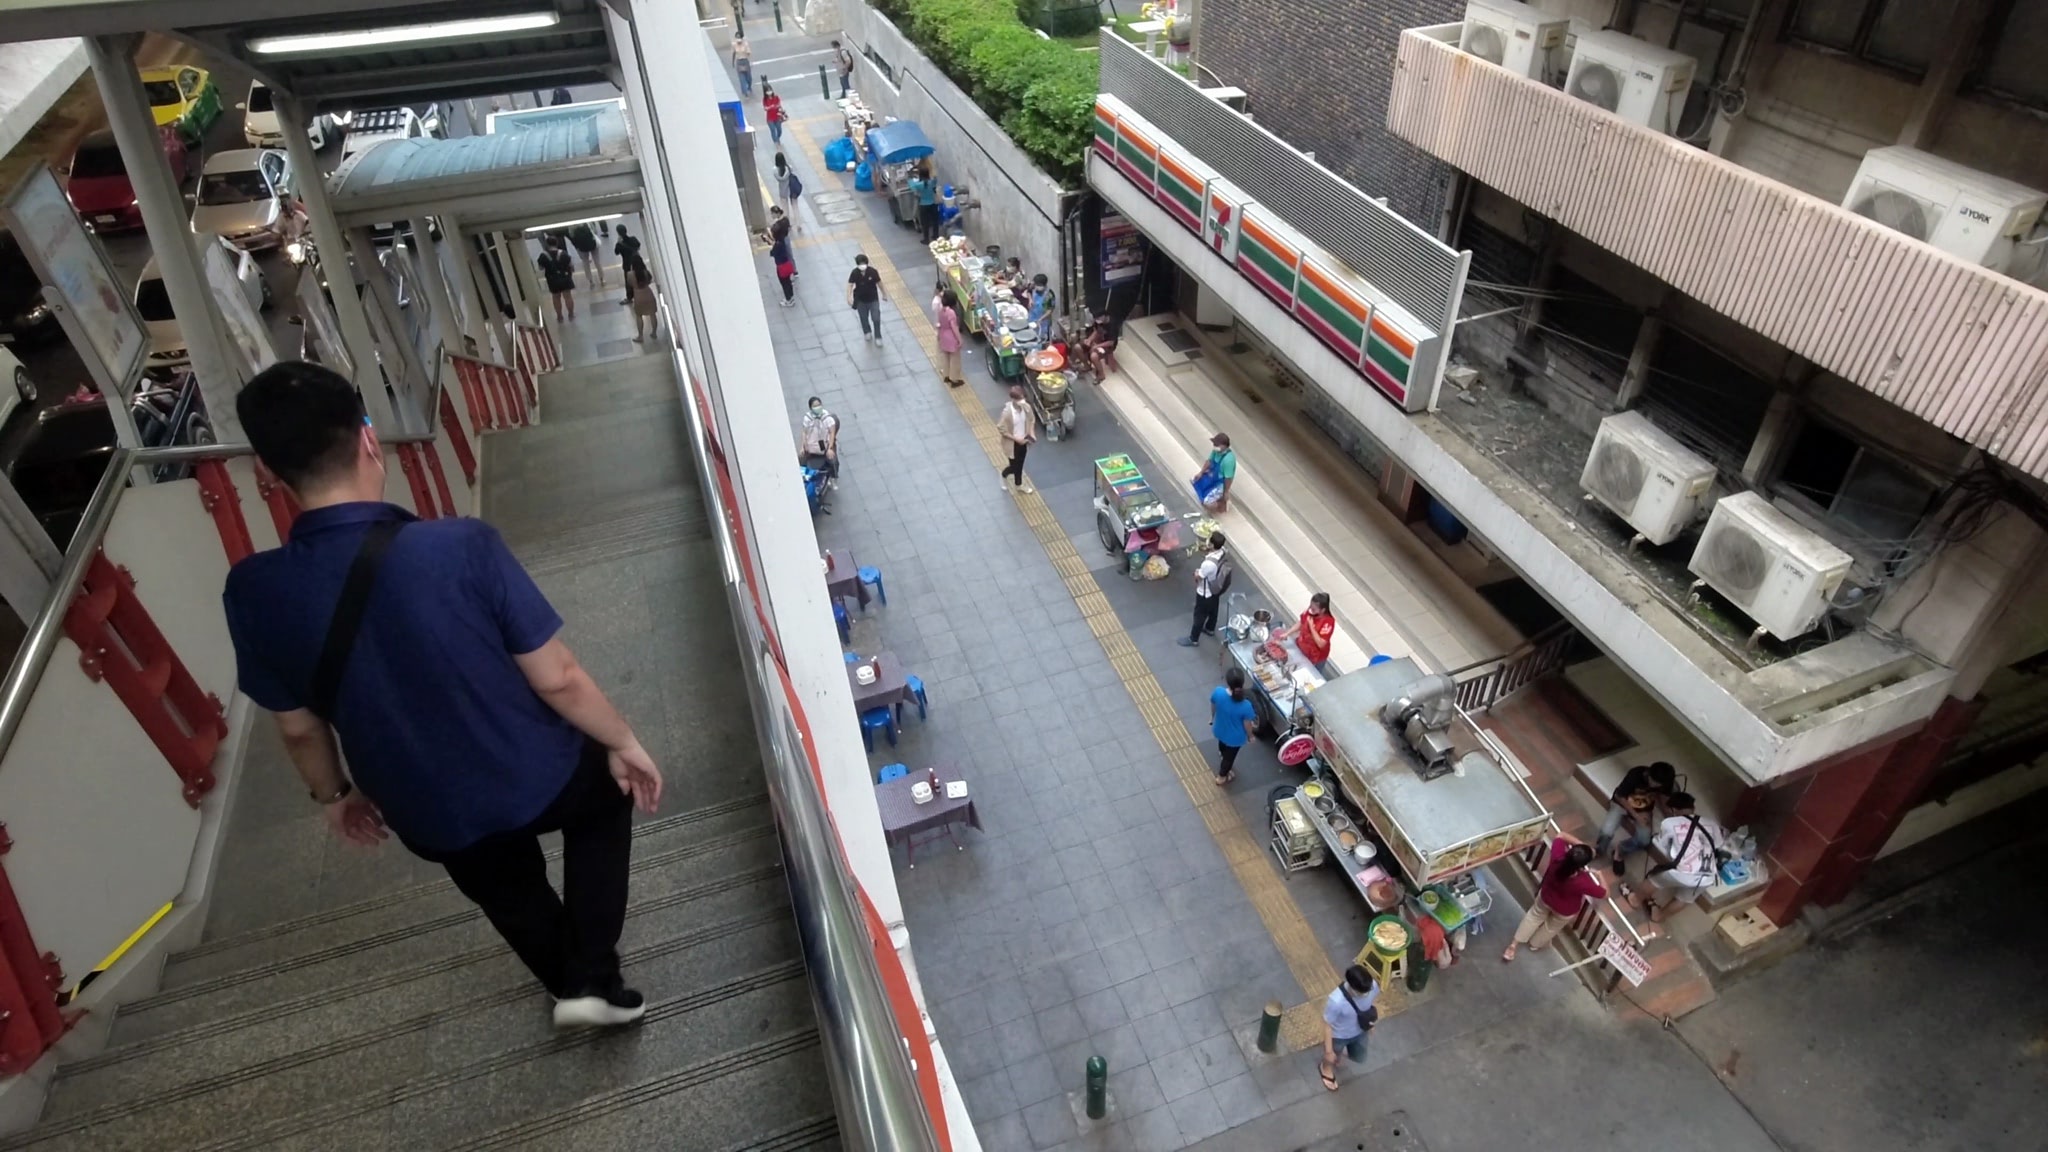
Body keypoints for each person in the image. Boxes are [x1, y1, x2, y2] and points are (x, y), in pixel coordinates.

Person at [222, 362, 663, 1029]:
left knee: (496, 876)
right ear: (369, 439)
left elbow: (298, 729)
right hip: (530, 769)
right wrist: (623, 741)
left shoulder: (252, 592)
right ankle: (592, 977)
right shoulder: (459, 545)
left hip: (422, 805)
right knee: (602, 798)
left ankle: (569, 983)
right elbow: (558, 677)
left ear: (266, 473)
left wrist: (336, 798)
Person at [1502, 836, 1607, 961]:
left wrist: (1580, 847)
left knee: (1533, 917)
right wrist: (1600, 876)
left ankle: (1514, 945)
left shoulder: (1557, 858)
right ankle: (1535, 944)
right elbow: (1604, 894)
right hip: (1564, 910)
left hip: (1546, 897)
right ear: (1582, 865)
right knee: (1550, 928)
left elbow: (1560, 836)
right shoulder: (1583, 881)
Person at [1631, 792, 1725, 922]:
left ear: (1673, 810)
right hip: (1707, 875)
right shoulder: (1712, 824)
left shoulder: (1670, 823)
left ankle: (1635, 899)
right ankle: (1659, 916)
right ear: (1693, 808)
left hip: (1683, 872)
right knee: (1684, 899)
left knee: (1654, 881)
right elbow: (1719, 845)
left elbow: (1660, 845)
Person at [1596, 761, 1677, 874]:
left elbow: (1664, 799)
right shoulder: (1636, 774)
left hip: (1644, 808)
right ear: (1648, 774)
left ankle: (1620, 851)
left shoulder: (1666, 783)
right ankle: (1599, 850)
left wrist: (1672, 818)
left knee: (1644, 841)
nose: (1655, 786)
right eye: (1654, 782)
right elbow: (1620, 796)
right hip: (1621, 804)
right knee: (1606, 831)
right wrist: (1637, 816)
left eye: (1659, 785)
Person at [1319, 965, 1378, 1092]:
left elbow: (1370, 1004)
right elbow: (1327, 1024)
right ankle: (1326, 1068)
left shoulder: (1371, 985)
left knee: (1359, 1057)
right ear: (1352, 987)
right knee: (1331, 1057)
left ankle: (1338, 1055)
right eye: (1362, 993)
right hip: (1338, 1035)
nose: (1366, 994)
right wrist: (1329, 1051)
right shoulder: (1336, 1001)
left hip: (1361, 1030)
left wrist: (1370, 1022)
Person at [1178, 532, 1233, 648]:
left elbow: (1199, 576)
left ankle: (1193, 639)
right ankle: (1210, 628)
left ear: (1212, 544)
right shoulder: (1223, 552)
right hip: (1216, 588)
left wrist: (1196, 573)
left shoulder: (1208, 564)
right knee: (1213, 610)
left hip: (1205, 592)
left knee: (1199, 615)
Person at [1209, 666, 1257, 785]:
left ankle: (1221, 753)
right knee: (1229, 758)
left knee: (1222, 744)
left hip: (1220, 729)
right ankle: (1222, 777)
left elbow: (1213, 705)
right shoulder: (1246, 705)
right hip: (1235, 738)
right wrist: (1250, 736)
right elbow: (1247, 724)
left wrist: (1212, 717)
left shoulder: (1218, 692)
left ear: (1227, 681)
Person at [997, 384, 1036, 494]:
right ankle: (1003, 474)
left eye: (1023, 398)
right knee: (1014, 466)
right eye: (1019, 399)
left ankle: (1018, 485)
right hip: (1012, 444)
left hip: (1024, 441)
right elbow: (1001, 428)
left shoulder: (1026, 407)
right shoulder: (1007, 413)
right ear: (1013, 399)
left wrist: (1031, 433)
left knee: (1020, 464)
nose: (1022, 401)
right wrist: (1015, 439)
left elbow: (1031, 419)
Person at [1288, 592, 1337, 674]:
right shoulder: (1310, 611)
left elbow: (1321, 644)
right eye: (1311, 606)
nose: (1311, 610)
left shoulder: (1328, 622)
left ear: (1322, 610)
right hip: (1302, 647)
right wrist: (1287, 633)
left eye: (1314, 609)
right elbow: (1301, 622)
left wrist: (1311, 627)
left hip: (1315, 657)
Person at [798, 396, 839, 483]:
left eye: (819, 405)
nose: (817, 407)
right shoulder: (807, 418)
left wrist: (830, 448)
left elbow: (832, 433)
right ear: (810, 408)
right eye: (815, 406)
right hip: (811, 444)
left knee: (833, 461)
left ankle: (833, 478)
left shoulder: (827, 418)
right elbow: (804, 432)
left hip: (824, 444)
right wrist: (802, 446)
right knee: (801, 459)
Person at [536, 237, 577, 323]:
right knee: (568, 296)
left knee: (556, 297)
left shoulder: (543, 255)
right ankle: (571, 314)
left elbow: (540, 268)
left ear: (547, 244)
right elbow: (571, 266)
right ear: (556, 243)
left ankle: (559, 316)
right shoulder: (564, 253)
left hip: (552, 280)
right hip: (565, 278)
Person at [846, 253, 884, 345]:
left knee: (876, 318)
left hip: (873, 298)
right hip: (860, 300)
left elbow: (879, 282)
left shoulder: (873, 272)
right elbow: (850, 284)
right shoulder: (854, 273)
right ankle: (867, 331)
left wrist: (884, 293)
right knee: (863, 317)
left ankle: (878, 336)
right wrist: (848, 297)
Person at [934, 282, 964, 386]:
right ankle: (954, 379)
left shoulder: (941, 311)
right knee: (955, 359)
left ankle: (946, 375)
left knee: (946, 357)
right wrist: (959, 339)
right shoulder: (951, 313)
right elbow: (954, 327)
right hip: (951, 337)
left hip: (943, 335)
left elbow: (939, 323)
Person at [1201, 432, 1237, 513]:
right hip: (1213, 476)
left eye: (1217, 444)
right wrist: (1201, 473)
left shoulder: (1228, 460)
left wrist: (1226, 492)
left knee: (1207, 503)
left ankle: (1221, 503)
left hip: (1220, 483)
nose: (1215, 446)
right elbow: (1209, 461)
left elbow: (1228, 478)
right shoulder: (1216, 451)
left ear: (1224, 446)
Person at [1078, 314, 1118, 383]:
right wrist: (1089, 340)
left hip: (1107, 346)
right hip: (1097, 341)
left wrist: (1096, 346)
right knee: (1077, 347)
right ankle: (1086, 366)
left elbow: (1111, 342)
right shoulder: (1098, 322)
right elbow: (1096, 332)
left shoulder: (1113, 326)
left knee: (1094, 356)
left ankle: (1101, 375)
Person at [628, 263, 659, 343]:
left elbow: (629, 284)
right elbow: (650, 280)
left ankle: (640, 336)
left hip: (638, 296)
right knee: (652, 314)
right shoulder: (646, 272)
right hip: (648, 294)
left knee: (639, 316)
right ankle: (654, 333)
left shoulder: (630, 274)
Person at [613, 226, 643, 306]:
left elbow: (616, 252)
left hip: (627, 264)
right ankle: (641, 294)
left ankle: (629, 297)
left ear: (618, 233)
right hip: (637, 262)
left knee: (628, 281)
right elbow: (638, 246)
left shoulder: (620, 244)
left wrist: (618, 243)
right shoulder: (633, 239)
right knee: (639, 277)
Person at [567, 222, 603, 289]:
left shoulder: (571, 225)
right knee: (597, 261)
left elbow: (571, 236)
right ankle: (602, 279)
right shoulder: (586, 221)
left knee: (585, 263)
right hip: (593, 243)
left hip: (581, 247)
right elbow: (594, 230)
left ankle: (591, 281)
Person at [909, 167, 940, 243]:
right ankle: (936, 236)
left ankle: (926, 239)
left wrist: (910, 177)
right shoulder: (932, 182)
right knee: (935, 221)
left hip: (923, 205)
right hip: (933, 204)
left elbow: (912, 186)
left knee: (925, 223)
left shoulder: (918, 185)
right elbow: (935, 179)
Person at [769, 218, 796, 307]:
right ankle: (791, 297)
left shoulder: (777, 245)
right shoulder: (782, 241)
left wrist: (771, 244)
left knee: (784, 284)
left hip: (781, 267)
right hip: (787, 265)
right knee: (788, 282)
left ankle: (788, 300)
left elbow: (772, 253)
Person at [774, 152, 803, 224]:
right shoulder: (789, 168)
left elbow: (778, 178)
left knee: (785, 209)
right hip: (792, 190)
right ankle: (798, 224)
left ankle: (787, 224)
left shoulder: (775, 170)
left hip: (783, 191)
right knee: (795, 207)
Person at [1027, 274, 1055, 344]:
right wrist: (1030, 300)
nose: (1036, 286)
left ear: (1044, 285)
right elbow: (1028, 291)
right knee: (1030, 337)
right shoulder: (1033, 286)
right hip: (1032, 317)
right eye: (1036, 284)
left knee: (1042, 341)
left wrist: (1041, 319)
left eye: (1038, 285)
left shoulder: (1049, 295)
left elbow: (1050, 310)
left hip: (1043, 322)